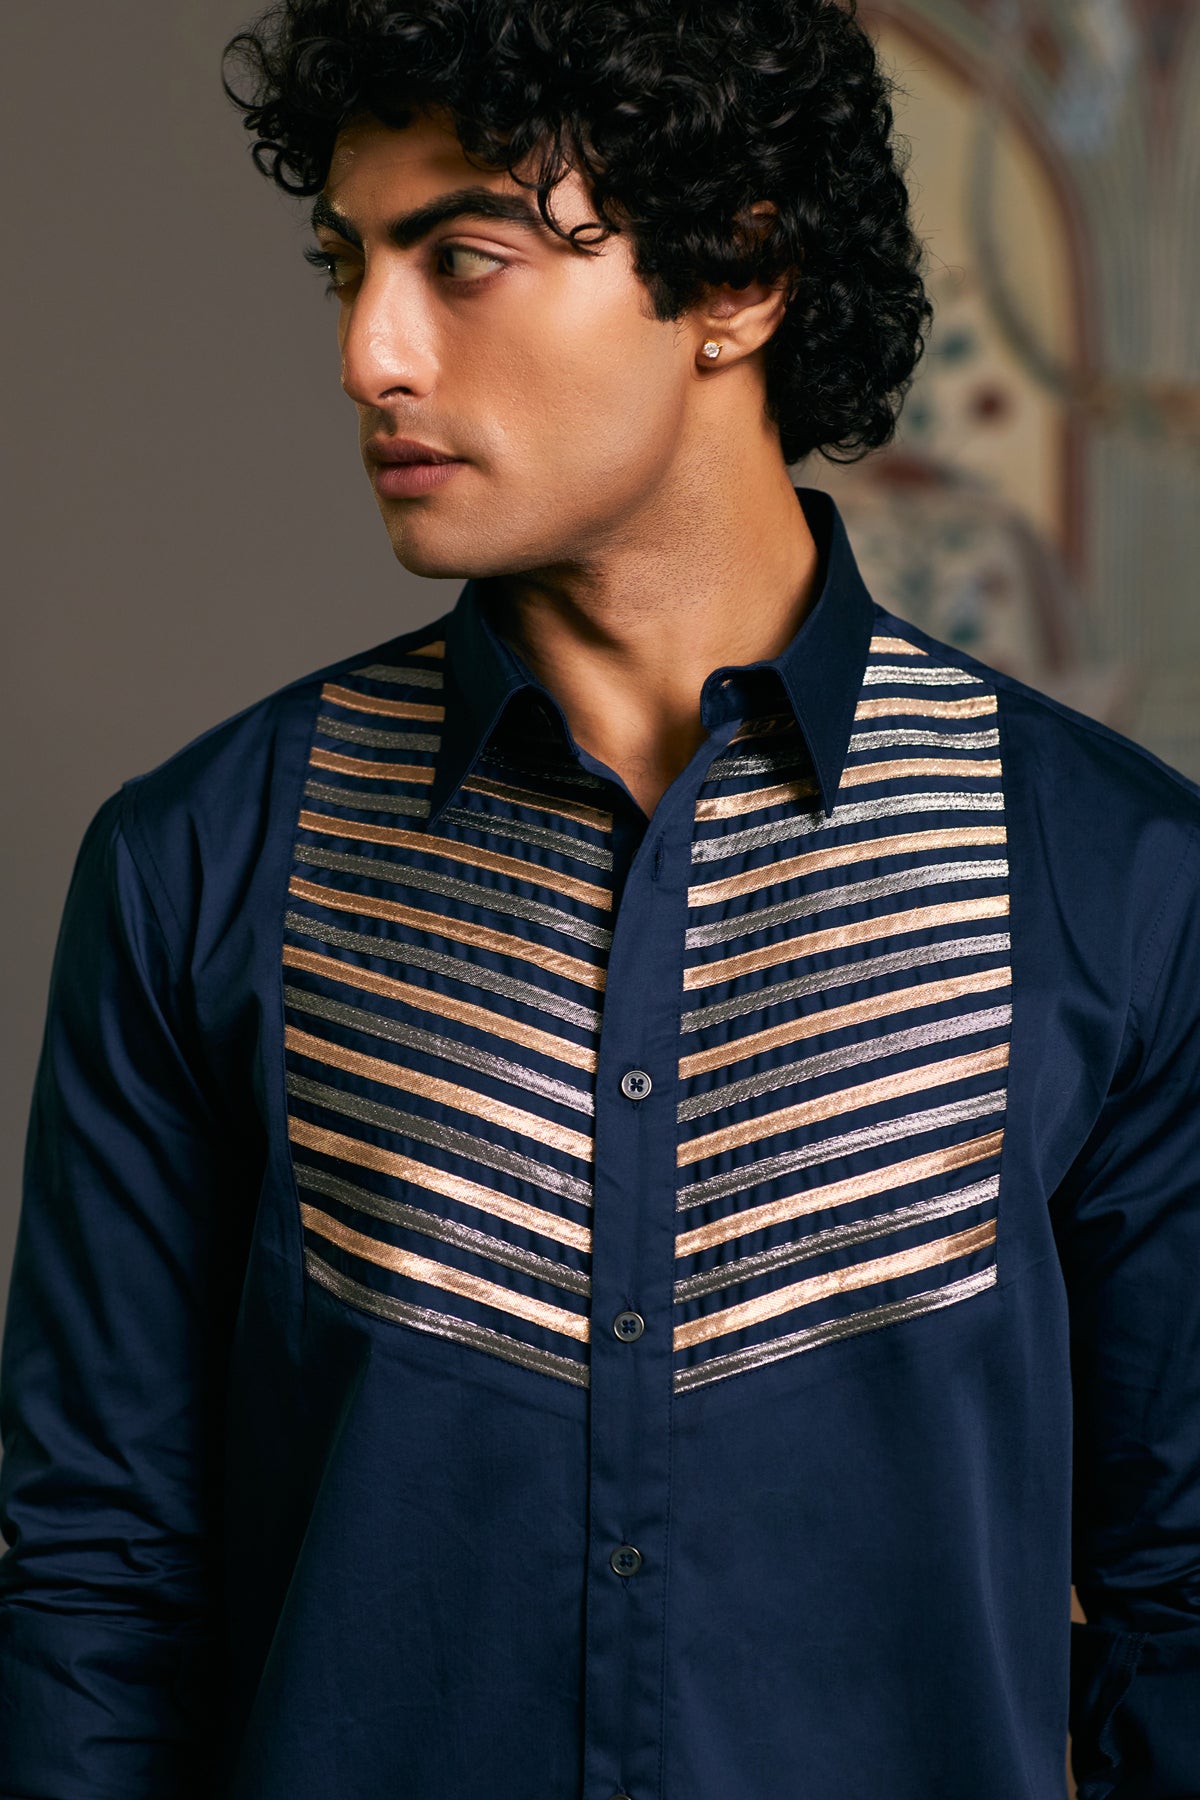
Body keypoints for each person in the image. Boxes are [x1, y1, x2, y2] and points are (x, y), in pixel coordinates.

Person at [1, 1, 1197, 1795]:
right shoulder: (205, 858)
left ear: (739, 277)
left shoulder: (1115, 878)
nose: (369, 352)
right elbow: (95, 1588)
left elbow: (1181, 1611)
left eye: (460, 258)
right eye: (347, 263)